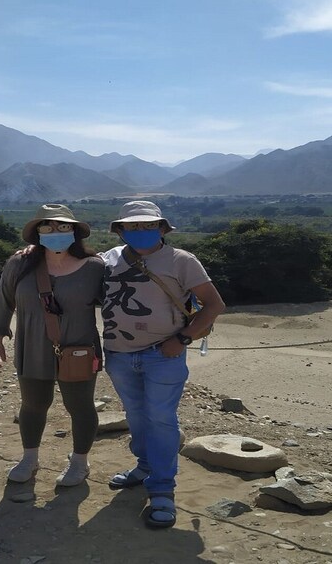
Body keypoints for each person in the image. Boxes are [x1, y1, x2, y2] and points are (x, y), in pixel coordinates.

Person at [100, 200, 225, 528]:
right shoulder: (107, 260)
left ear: (162, 228)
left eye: (147, 225)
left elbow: (213, 304)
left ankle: (162, 489)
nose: (140, 232)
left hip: (163, 353)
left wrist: (182, 339)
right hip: (119, 354)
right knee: (136, 416)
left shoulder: (182, 260)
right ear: (121, 230)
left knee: (160, 418)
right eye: (133, 226)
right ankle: (144, 467)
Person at [0, 204, 105, 487]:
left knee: (81, 407)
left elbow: (117, 307)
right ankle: (30, 458)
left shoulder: (95, 268)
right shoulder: (19, 264)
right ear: (36, 232)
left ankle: (79, 463)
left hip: (79, 348)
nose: (55, 232)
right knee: (33, 405)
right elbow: (3, 302)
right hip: (32, 346)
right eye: (47, 227)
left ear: (75, 231)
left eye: (63, 227)